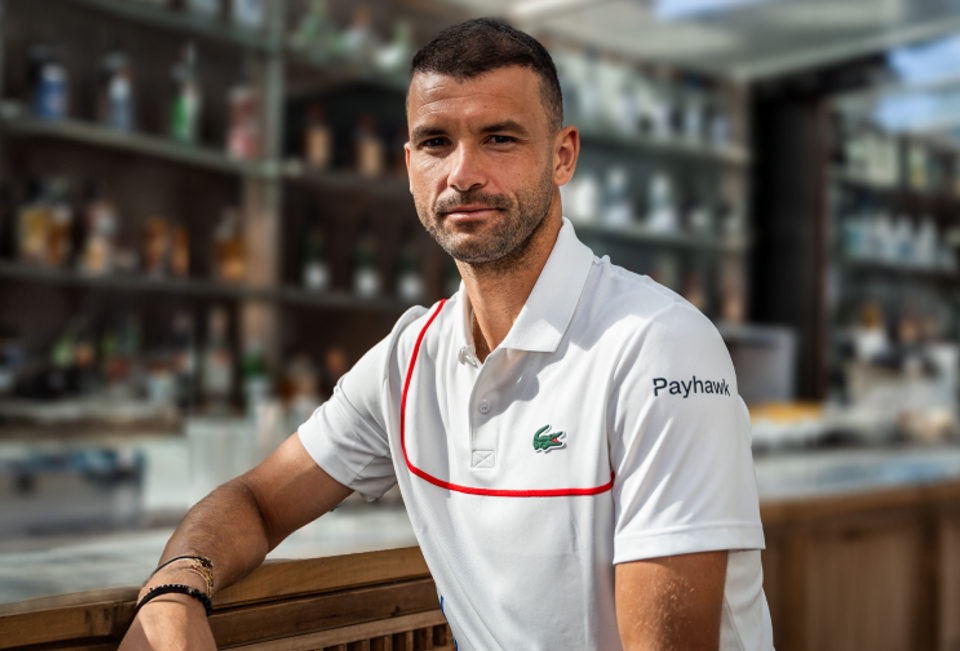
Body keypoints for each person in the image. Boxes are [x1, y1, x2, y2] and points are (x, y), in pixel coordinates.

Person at [121, 18, 772, 651]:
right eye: (436, 142)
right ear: (409, 166)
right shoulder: (407, 361)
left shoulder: (655, 345)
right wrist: (177, 588)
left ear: (562, 155)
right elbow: (257, 500)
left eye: (500, 138)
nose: (463, 173)